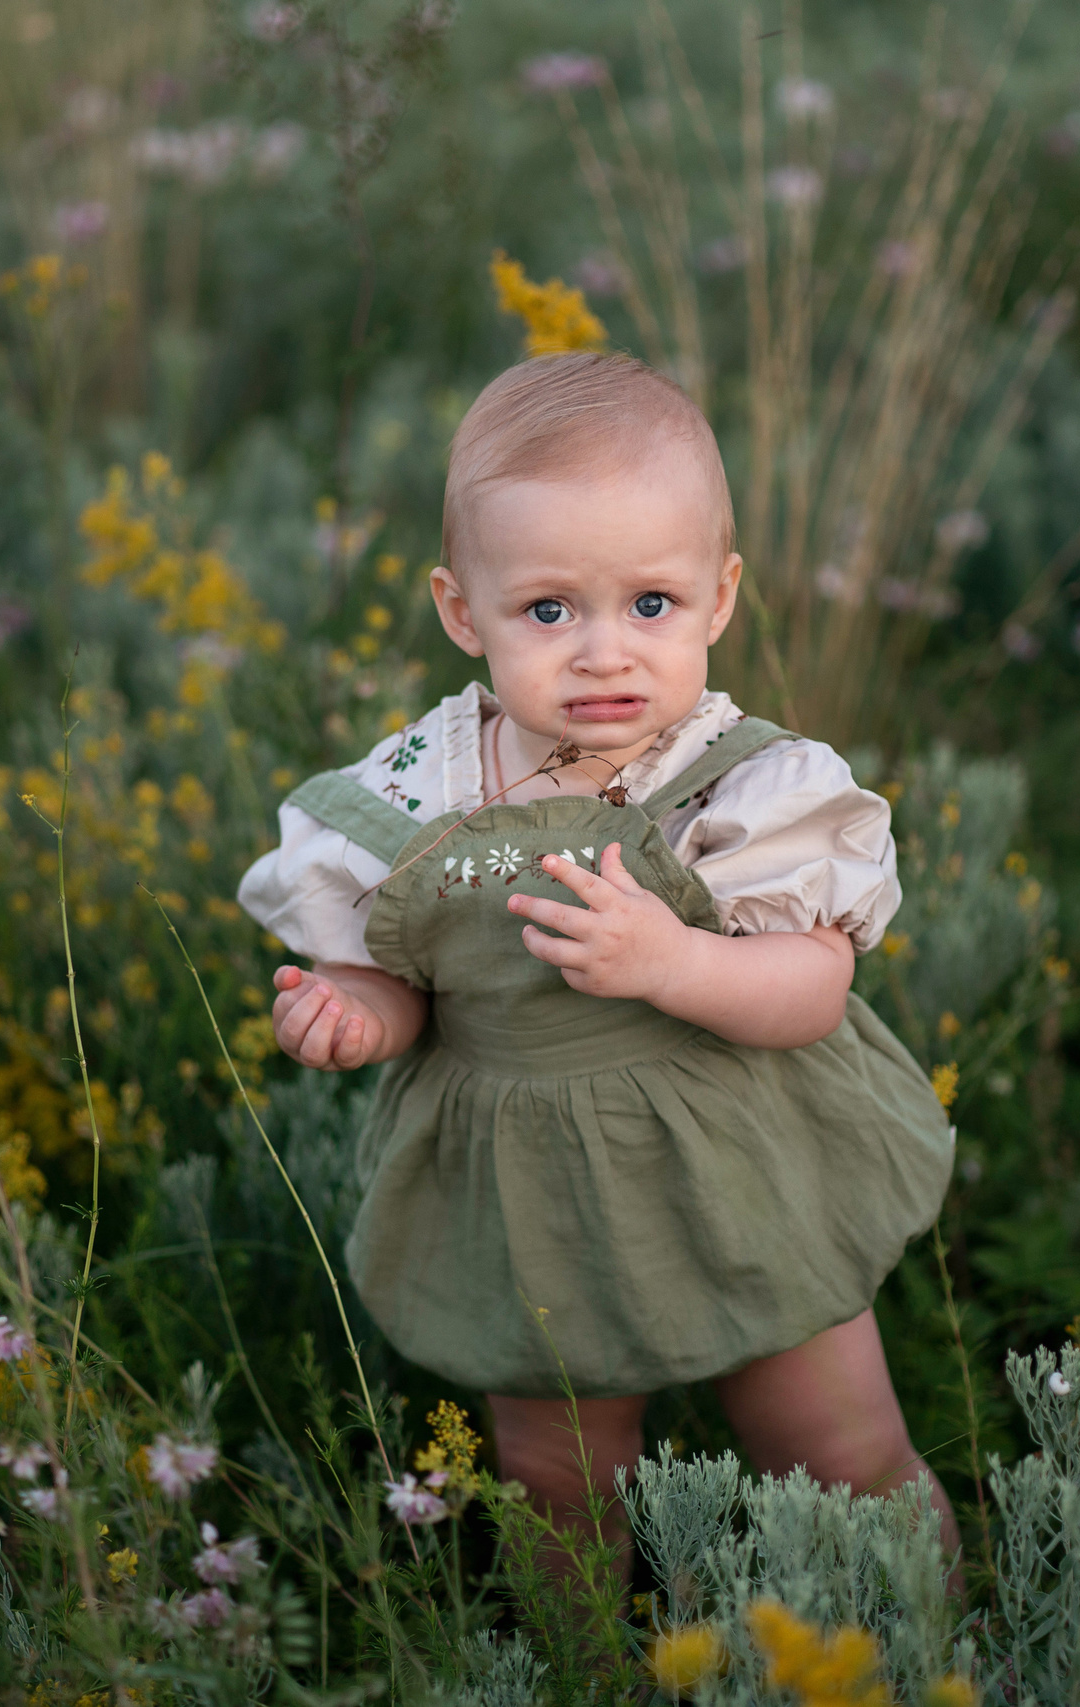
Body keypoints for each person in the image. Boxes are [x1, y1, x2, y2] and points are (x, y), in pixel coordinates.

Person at [238, 351, 957, 1561]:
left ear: (719, 597)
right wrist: (356, 1009)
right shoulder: (415, 794)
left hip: (742, 1158)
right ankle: (583, 1663)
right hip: (527, 1190)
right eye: (548, 610)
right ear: (462, 611)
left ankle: (928, 1645)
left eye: (652, 605)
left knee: (837, 1450)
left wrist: (673, 962)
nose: (604, 654)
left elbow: (812, 990)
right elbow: (406, 980)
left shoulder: (742, 787)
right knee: (556, 1473)